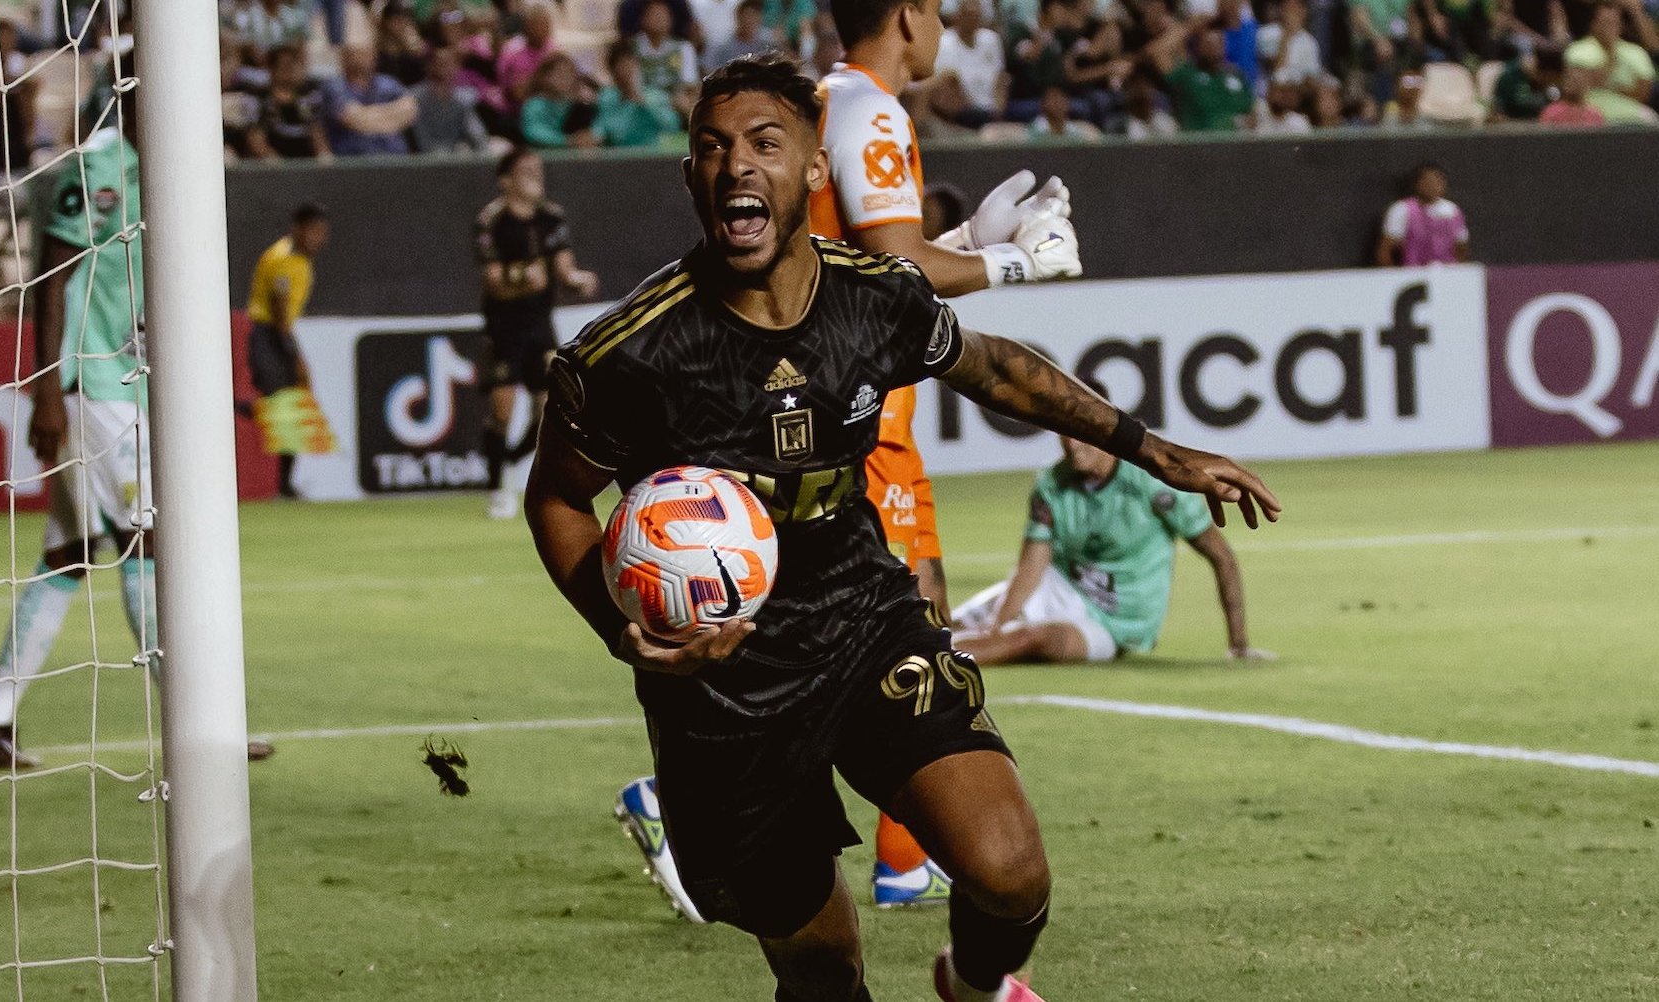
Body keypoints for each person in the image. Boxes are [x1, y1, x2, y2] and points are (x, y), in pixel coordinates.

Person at [527, 56, 1278, 1002]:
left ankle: (969, 983)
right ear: (690, 178)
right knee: (824, 966)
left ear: (812, 171)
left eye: (765, 143)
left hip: (860, 616)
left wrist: (1151, 449)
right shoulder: (628, 353)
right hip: (723, 683)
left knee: (1010, 875)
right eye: (711, 149)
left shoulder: (873, 296)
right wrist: (622, 628)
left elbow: (997, 368)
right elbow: (556, 499)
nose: (735, 167)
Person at [618, 0, 1086, 915]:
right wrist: (1018, 263)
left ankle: (894, 853)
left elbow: (859, 267)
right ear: (910, 13)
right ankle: (830, 841)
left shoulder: (829, 101)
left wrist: (970, 243)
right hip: (853, 418)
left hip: (831, 400)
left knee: (891, 625)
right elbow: (897, 269)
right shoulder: (868, 108)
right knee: (902, 623)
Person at [0, 79, 274, 770]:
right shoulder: (97, 166)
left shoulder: (174, 166)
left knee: (71, 553)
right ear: (138, 97)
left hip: (126, 385)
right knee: (151, 540)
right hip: (93, 385)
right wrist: (49, 390)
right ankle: (201, 727)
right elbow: (53, 279)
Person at [953, 437, 1273, 666]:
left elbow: (1221, 556)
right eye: (1062, 432)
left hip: (1114, 623)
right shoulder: (1051, 482)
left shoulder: (1153, 483)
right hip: (1059, 585)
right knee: (946, 624)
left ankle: (928, 669)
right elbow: (1032, 564)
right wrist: (996, 622)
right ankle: (922, 657)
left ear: (1102, 430)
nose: (1071, 444)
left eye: (1080, 433)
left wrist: (1239, 644)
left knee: (1031, 639)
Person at [474, 149, 598, 519]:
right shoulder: (491, 221)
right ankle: (497, 487)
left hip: (539, 326)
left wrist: (577, 280)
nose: (535, 177)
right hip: (503, 326)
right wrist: (521, 277)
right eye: (526, 171)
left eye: (537, 170)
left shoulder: (551, 217)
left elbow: (563, 266)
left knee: (548, 410)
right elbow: (492, 279)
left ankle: (511, 462)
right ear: (506, 179)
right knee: (502, 408)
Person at [247, 203, 332, 499]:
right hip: (269, 336)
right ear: (297, 228)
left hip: (277, 335)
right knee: (283, 403)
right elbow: (280, 310)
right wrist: (296, 356)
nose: (319, 238)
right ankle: (235, 408)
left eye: (323, 232)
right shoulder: (281, 258)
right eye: (314, 231)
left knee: (289, 406)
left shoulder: (303, 261)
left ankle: (286, 484)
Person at [1563, 0, 1658, 124]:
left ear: (1621, 26)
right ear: (1593, 24)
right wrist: (1609, 54)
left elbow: (1643, 92)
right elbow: (1579, 87)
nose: (1608, 27)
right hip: (1588, 106)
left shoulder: (1636, 52)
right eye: (1604, 23)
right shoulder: (1578, 50)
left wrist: (1610, 88)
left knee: (1650, 119)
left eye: (1613, 23)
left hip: (1627, 106)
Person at [321, 42, 419, 155]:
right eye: (358, 53)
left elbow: (410, 111)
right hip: (355, 163)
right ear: (344, 57)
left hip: (395, 160)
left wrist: (368, 115)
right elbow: (356, 121)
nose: (365, 57)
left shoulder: (388, 83)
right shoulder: (334, 87)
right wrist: (392, 116)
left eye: (368, 52)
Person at [248, 44, 333, 160]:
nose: (291, 70)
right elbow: (256, 137)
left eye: (295, 64)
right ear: (272, 69)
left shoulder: (308, 95)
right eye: (285, 66)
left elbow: (316, 131)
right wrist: (271, 159)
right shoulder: (259, 98)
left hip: (306, 163)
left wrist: (324, 156)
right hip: (272, 165)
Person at [1376, 161, 1469, 266]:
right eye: (1428, 181)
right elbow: (1385, 250)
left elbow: (1461, 247)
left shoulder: (1453, 210)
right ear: (1417, 184)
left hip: (1447, 274)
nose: (1434, 185)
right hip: (1413, 274)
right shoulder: (1402, 209)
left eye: (1438, 180)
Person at [410, 46, 492, 152]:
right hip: (424, 159)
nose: (446, 68)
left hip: (456, 153)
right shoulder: (415, 98)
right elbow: (422, 140)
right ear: (430, 66)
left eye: (450, 63)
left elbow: (476, 134)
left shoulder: (463, 98)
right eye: (440, 63)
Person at [706, 0, 782, 72]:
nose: (750, 21)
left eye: (754, 17)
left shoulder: (768, 43)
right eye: (747, 17)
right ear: (738, 17)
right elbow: (709, 69)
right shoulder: (722, 45)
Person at [1540, 63, 1608, 125]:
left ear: (1587, 85)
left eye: (1578, 81)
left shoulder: (1594, 114)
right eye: (1571, 80)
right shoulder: (1552, 112)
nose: (1574, 85)